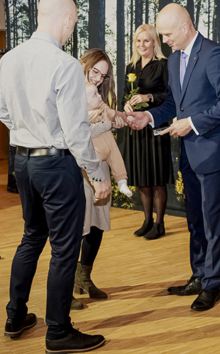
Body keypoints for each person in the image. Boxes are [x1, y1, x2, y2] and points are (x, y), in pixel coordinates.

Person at [0, 0, 109, 353]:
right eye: (74, 21)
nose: (73, 27)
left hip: (22, 162)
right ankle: (58, 331)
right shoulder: (64, 64)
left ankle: (16, 316)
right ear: (66, 19)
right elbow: (76, 133)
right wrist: (96, 174)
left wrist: (30, 134)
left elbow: (4, 114)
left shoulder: (9, 59)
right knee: (64, 249)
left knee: (32, 236)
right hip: (56, 165)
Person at [128, 4, 220, 311]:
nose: (164, 40)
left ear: (184, 27)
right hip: (190, 154)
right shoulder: (175, 59)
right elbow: (174, 106)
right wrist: (149, 117)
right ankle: (199, 275)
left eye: (167, 34)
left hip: (215, 151)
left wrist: (192, 123)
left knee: (213, 221)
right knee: (195, 219)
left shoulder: (214, 54)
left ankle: (212, 285)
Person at [73, 48, 125, 306]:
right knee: (76, 227)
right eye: (95, 71)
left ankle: (84, 277)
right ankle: (67, 283)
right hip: (79, 169)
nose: (97, 79)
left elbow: (113, 116)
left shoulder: (98, 98)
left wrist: (125, 117)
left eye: (103, 76)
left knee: (96, 225)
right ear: (84, 65)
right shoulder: (69, 91)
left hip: (100, 169)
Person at [123, 24, 174, 240]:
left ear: (154, 43)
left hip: (156, 127)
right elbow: (125, 94)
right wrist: (126, 104)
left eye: (146, 40)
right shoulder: (131, 66)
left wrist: (148, 97)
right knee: (142, 177)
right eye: (138, 41)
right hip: (136, 129)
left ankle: (160, 224)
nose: (142, 44)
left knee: (157, 177)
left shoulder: (163, 65)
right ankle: (147, 221)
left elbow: (170, 96)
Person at [85, 82, 132, 197]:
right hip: (96, 151)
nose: (100, 96)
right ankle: (97, 188)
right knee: (93, 167)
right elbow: (89, 132)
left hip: (110, 148)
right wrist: (107, 124)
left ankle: (122, 182)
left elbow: (116, 115)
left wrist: (127, 119)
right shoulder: (83, 117)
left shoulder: (103, 109)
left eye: (98, 93)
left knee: (118, 161)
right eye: (95, 95)